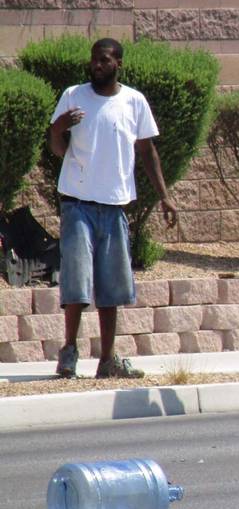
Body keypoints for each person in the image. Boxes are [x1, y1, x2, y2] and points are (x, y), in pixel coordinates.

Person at [48, 37, 178, 379]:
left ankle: (107, 360)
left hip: (114, 206)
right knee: (77, 281)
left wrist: (164, 196)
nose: (97, 65)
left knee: (111, 286)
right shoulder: (74, 95)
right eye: (94, 59)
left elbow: (147, 151)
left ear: (118, 63)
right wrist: (58, 128)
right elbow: (58, 149)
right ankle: (69, 351)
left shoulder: (134, 101)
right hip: (77, 203)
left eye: (104, 60)